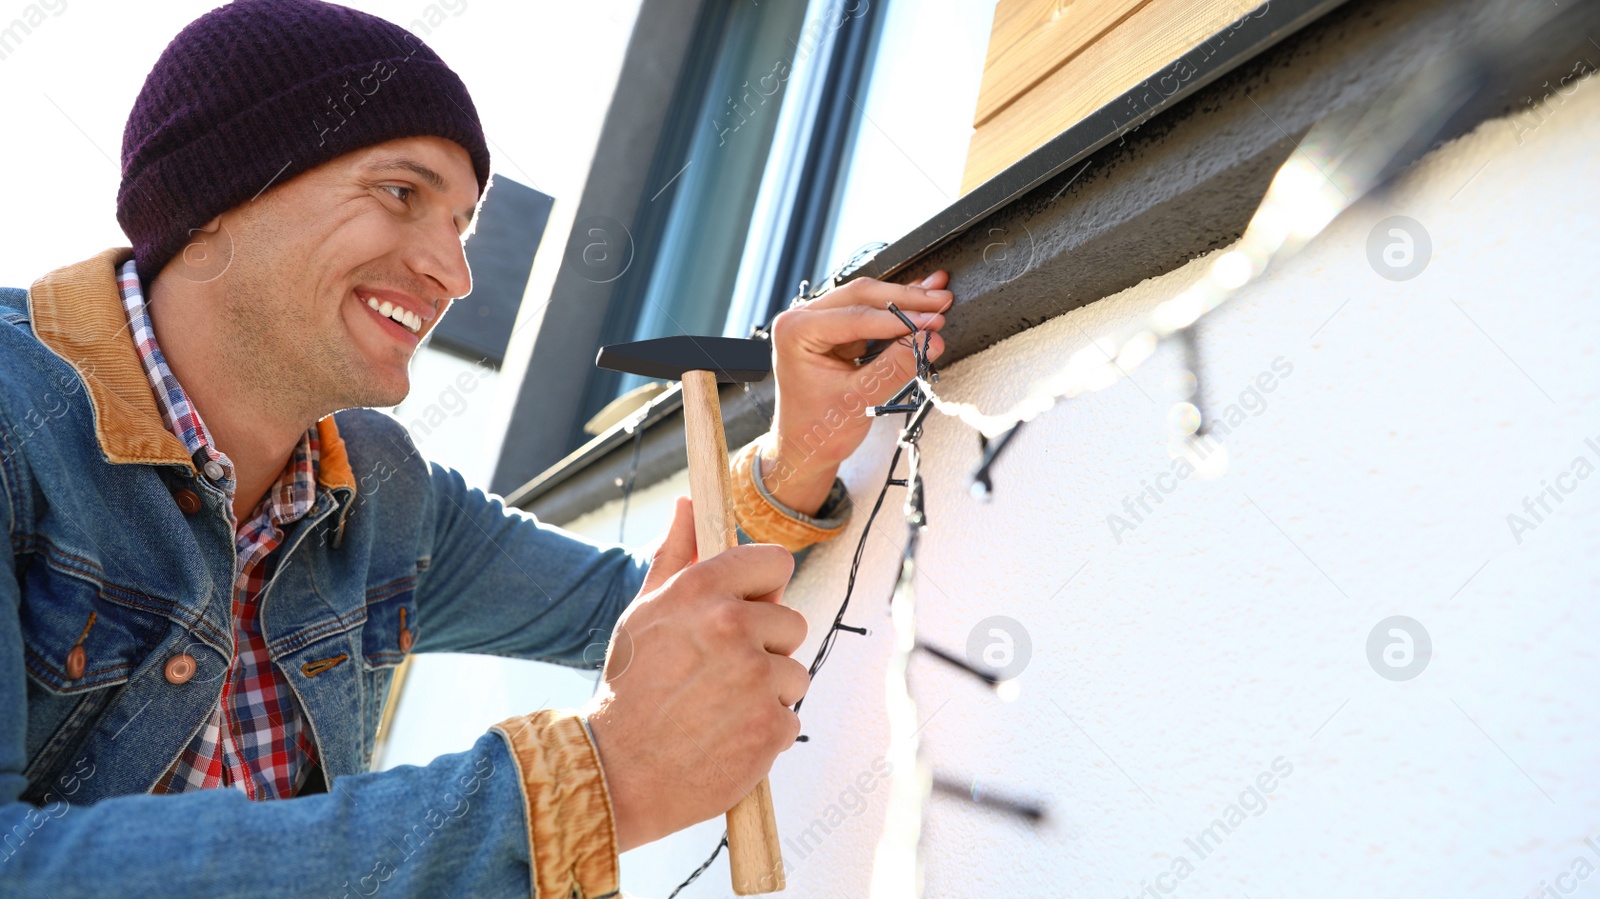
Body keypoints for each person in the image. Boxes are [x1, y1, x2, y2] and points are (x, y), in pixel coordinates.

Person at [0, 1, 952, 895]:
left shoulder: (378, 489)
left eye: (460, 223)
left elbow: (647, 610)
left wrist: (800, 452)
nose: (452, 272)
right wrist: (587, 785)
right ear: (215, 196)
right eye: (402, 192)